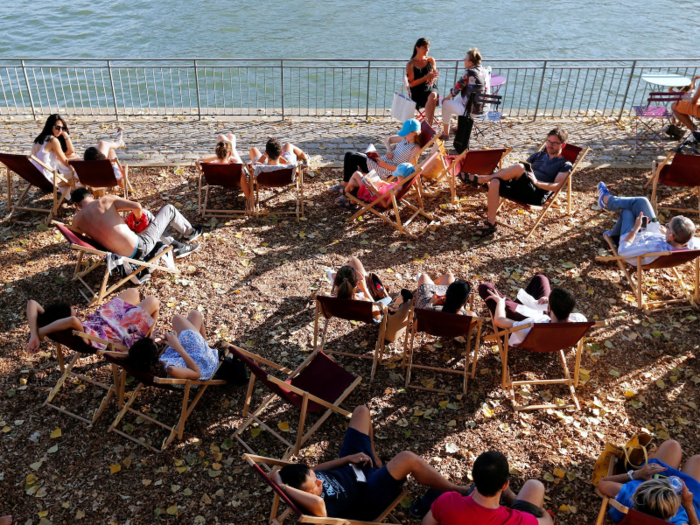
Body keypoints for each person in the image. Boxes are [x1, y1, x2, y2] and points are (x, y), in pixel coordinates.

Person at [275, 405, 470, 521]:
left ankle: (375, 458)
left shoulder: (309, 480)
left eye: (316, 479)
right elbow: (316, 500)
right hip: (367, 493)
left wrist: (349, 459)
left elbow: (314, 470)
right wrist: (281, 486)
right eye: (315, 486)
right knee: (407, 458)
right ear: (303, 495)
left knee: (361, 411)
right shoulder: (319, 507)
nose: (320, 482)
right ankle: (456, 489)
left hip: (354, 466)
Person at [467, 128, 573, 237]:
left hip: (535, 194)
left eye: (555, 143)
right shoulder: (538, 155)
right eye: (549, 141)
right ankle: (491, 223)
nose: (550, 145)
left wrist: (536, 182)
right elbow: (520, 171)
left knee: (519, 167)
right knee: (495, 182)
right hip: (520, 187)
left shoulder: (565, 164)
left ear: (563, 145)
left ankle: (483, 179)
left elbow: (557, 187)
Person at [70, 187, 203, 260]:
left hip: (116, 256)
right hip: (139, 248)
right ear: (91, 196)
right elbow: (137, 206)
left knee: (147, 215)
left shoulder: (76, 221)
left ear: (77, 205)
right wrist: (138, 219)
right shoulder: (105, 200)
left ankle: (177, 246)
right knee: (169, 209)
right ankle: (190, 233)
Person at [423, 451, 553, 525]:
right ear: (505, 485)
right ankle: (511, 497)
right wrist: (543, 512)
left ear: (473, 477)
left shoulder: (447, 500)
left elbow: (426, 523)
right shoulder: (519, 520)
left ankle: (510, 497)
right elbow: (548, 522)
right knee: (534, 486)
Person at [598, 439, 700, 524]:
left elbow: (601, 483)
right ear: (673, 511)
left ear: (638, 491)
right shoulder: (678, 520)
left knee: (672, 445)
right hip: (684, 502)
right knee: (697, 460)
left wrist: (637, 474)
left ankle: (652, 458)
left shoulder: (628, 494)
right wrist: (688, 505)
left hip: (665, 499)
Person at [25, 288, 159, 353]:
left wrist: (34, 334)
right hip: (118, 330)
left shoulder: (54, 324)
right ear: (64, 318)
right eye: (73, 310)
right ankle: (147, 339)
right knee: (153, 301)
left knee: (134, 292)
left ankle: (140, 320)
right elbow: (73, 320)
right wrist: (41, 331)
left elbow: (32, 303)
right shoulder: (73, 327)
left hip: (106, 319)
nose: (77, 312)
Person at [596, 183, 700, 265]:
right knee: (642, 201)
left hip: (633, 239)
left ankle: (606, 200)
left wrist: (635, 228)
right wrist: (665, 234)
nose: (666, 226)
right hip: (651, 233)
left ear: (672, 235)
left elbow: (623, 252)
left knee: (627, 210)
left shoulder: (653, 247)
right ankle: (608, 200)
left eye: (668, 226)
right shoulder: (691, 243)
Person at [479, 276, 586, 346]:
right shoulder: (580, 320)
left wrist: (500, 304)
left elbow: (499, 321)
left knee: (485, 288)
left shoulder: (530, 326)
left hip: (526, 327)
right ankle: (516, 302)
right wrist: (547, 299)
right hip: (543, 318)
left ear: (550, 308)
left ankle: (507, 302)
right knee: (541, 278)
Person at [127, 310, 219, 381]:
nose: (157, 344)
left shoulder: (157, 362)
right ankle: (207, 349)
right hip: (205, 363)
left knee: (195, 315)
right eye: (155, 345)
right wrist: (178, 347)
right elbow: (196, 373)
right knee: (179, 318)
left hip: (192, 355)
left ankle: (206, 347)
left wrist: (162, 340)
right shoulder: (171, 369)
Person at [338, 119, 422, 190]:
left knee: (354, 157)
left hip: (384, 170)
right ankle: (347, 183)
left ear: (414, 133)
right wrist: (389, 150)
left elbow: (408, 169)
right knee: (349, 154)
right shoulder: (404, 138)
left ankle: (349, 188)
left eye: (406, 132)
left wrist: (385, 165)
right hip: (381, 162)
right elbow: (387, 139)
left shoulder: (415, 148)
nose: (404, 134)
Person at [440, 48, 488, 140]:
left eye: (465, 59)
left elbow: (458, 87)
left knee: (446, 104)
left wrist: (447, 98)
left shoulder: (469, 72)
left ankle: (445, 134)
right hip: (481, 108)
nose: (464, 61)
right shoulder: (483, 71)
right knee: (459, 99)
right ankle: (458, 128)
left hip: (470, 110)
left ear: (470, 62)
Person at [242, 137, 308, 201]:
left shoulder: (257, 166)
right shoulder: (290, 165)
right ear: (281, 153)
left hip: (264, 176)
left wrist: (264, 155)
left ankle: (271, 153)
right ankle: (305, 157)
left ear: (266, 153)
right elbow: (287, 163)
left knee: (253, 149)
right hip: (284, 179)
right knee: (288, 145)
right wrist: (280, 156)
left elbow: (257, 164)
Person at [30, 114, 80, 195]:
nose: (60, 130)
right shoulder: (52, 140)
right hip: (49, 178)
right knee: (79, 167)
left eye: (62, 128)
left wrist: (65, 135)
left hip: (36, 177)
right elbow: (65, 161)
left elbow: (70, 152)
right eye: (57, 127)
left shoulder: (38, 139)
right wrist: (74, 170)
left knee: (74, 156)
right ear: (50, 126)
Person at [337, 162, 415, 209]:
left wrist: (375, 190)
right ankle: (350, 199)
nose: (396, 176)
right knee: (353, 182)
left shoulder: (398, 190)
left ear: (402, 177)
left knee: (356, 174)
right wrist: (380, 181)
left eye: (398, 175)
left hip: (374, 195)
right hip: (378, 189)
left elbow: (385, 205)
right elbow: (390, 187)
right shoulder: (401, 183)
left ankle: (345, 192)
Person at [407, 37, 439, 124]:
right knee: (432, 97)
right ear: (417, 48)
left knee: (433, 95)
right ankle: (428, 125)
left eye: (428, 47)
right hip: (417, 91)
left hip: (430, 87)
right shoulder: (411, 64)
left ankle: (428, 125)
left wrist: (433, 78)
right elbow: (412, 84)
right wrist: (426, 77)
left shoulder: (431, 60)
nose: (427, 50)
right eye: (424, 47)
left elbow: (435, 76)